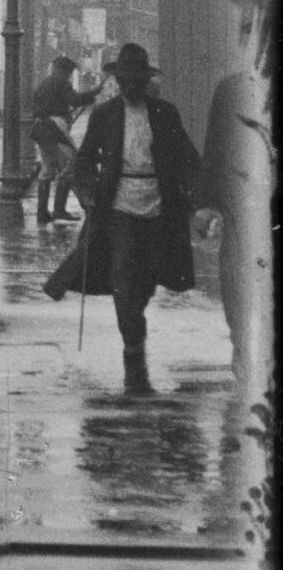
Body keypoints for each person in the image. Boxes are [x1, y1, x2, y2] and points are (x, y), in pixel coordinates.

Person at [46, 43, 200, 394]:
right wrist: (87, 197)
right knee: (124, 275)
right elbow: (83, 163)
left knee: (145, 280)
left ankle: (134, 326)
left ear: (145, 81)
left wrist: (196, 198)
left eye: (136, 80)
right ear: (117, 81)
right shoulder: (106, 115)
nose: (130, 86)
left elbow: (188, 158)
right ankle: (133, 346)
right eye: (124, 80)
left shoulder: (165, 113)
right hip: (118, 208)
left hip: (158, 208)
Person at [195, 63, 272, 386]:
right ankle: (243, 348)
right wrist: (206, 203)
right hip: (244, 200)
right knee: (238, 281)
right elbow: (215, 146)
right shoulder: (231, 89)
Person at [30, 54, 97, 225]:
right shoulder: (62, 82)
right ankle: (59, 210)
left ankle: (42, 213)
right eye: (69, 72)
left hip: (41, 130)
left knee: (47, 170)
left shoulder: (44, 83)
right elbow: (74, 100)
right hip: (55, 128)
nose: (69, 76)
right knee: (70, 165)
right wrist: (94, 93)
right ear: (65, 70)